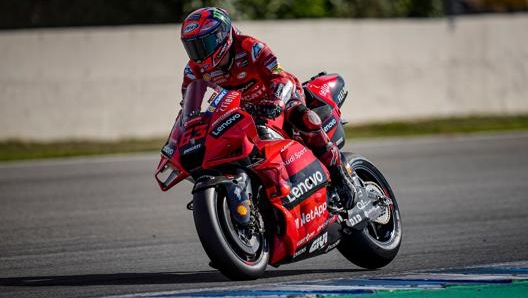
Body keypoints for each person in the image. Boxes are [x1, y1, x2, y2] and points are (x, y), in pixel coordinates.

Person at [179, 7, 356, 210]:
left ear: (222, 36)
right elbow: (188, 105)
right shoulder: (193, 70)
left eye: (204, 44)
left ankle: (339, 174)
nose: (199, 54)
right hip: (242, 112)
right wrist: (184, 132)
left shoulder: (250, 47)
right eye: (192, 47)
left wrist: (276, 102)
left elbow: (278, 75)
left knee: (304, 118)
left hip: (278, 96)